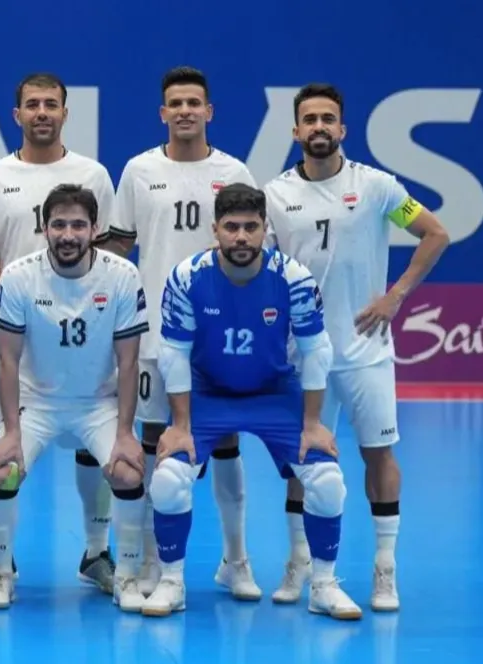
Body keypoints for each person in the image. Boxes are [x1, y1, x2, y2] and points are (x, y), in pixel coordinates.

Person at [263, 83, 450, 611]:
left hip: (366, 349)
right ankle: (300, 562)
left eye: (328, 118)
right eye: (310, 119)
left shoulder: (377, 187)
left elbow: (435, 234)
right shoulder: (274, 195)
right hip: (304, 354)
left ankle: (384, 569)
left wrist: (395, 296)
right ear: (295, 131)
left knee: (378, 454)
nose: (319, 127)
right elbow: (263, 271)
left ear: (342, 129)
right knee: (304, 459)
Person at [142, 182, 360, 620]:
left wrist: (313, 423)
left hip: (272, 391)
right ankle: (171, 581)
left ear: (264, 228)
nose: (241, 236)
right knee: (167, 479)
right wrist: (180, 425)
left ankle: (323, 585)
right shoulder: (187, 277)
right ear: (215, 230)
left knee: (327, 480)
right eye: (231, 227)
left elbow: (316, 350)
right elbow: (174, 353)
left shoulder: (293, 278)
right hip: (207, 392)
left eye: (250, 227)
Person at [105, 66, 259, 599]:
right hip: (156, 334)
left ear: (209, 111)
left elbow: (252, 250)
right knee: (154, 444)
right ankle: (154, 559)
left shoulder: (234, 171)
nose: (186, 111)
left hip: (219, 337)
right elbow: (118, 247)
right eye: (176, 103)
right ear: (163, 113)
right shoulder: (138, 170)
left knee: (225, 442)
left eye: (195, 102)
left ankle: (236, 560)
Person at [0, 72, 119, 595]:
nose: (41, 113)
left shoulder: (93, 174)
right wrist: (20, 305)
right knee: (0, 451)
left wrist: (79, 305)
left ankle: (96, 552)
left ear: (64, 113)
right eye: (32, 104)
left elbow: (107, 248)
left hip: (83, 336)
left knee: (93, 443)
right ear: (17, 115)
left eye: (51, 104)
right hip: (13, 335)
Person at [0, 185, 148, 610]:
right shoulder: (18, 276)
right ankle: (1, 570)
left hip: (98, 403)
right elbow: (7, 360)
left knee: (129, 471)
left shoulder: (122, 276)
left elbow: (129, 362)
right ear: (44, 228)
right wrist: (11, 432)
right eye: (59, 225)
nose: (68, 235)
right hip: (37, 403)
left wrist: (126, 433)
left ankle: (124, 574)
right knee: (2, 472)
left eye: (78, 225)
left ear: (95, 228)